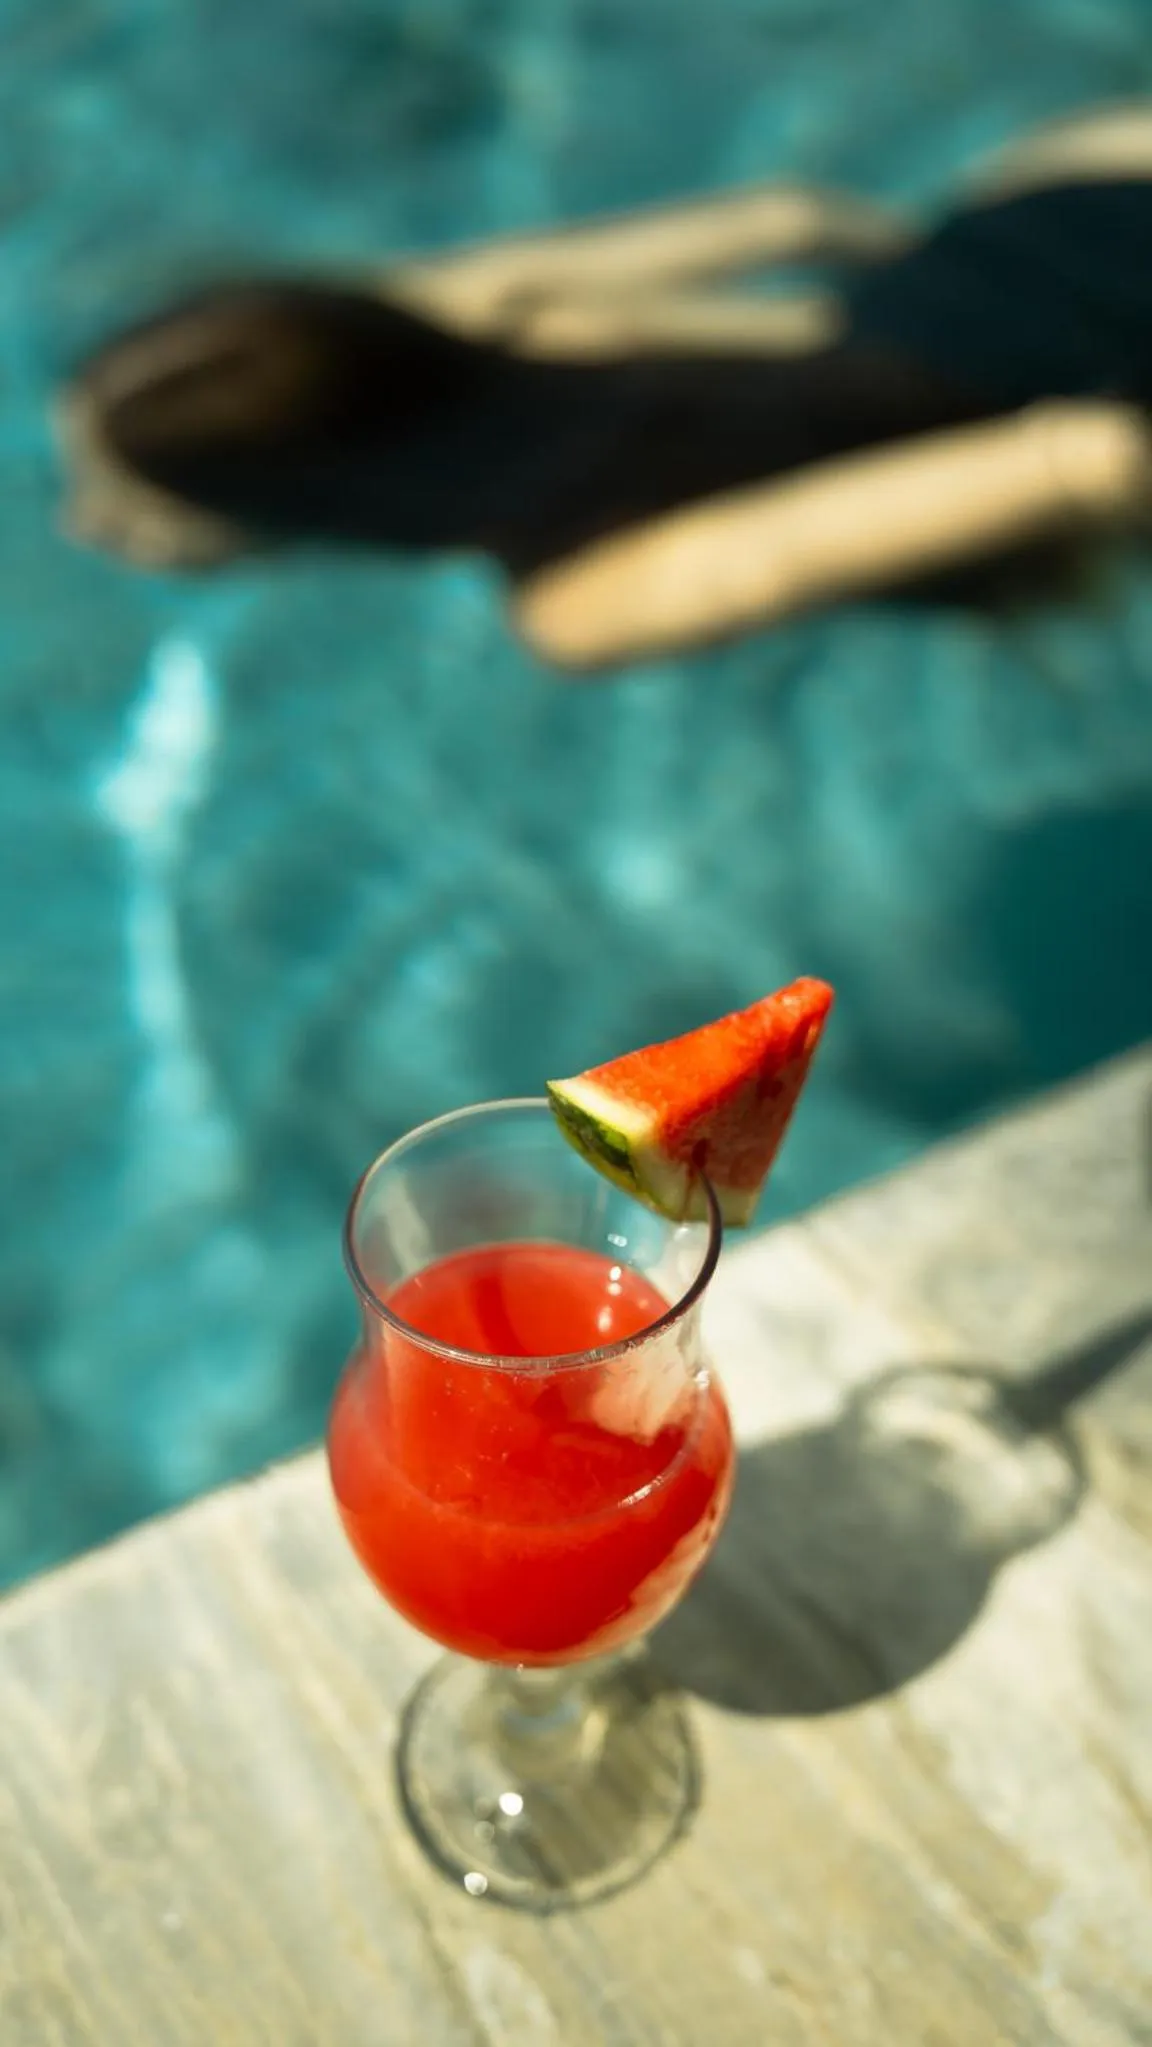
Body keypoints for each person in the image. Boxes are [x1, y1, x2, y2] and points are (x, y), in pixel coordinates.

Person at [58, 102, 1152, 669]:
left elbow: (1086, 460)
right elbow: (792, 216)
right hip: (1041, 220)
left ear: (295, 500)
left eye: (116, 504)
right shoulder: (474, 308)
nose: (85, 524)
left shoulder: (585, 599)